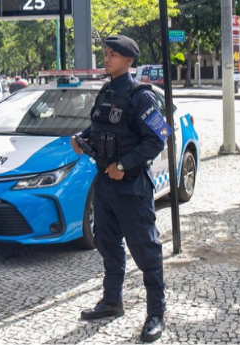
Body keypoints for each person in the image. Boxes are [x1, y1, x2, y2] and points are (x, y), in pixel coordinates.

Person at [70, 35, 172, 343]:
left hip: (131, 187)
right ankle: (112, 302)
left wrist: (124, 165)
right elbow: (99, 128)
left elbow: (158, 137)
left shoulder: (141, 96)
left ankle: (156, 313)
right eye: (106, 53)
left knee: (145, 249)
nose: (107, 58)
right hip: (104, 183)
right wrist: (81, 137)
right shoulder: (106, 91)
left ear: (128, 61)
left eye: (113, 55)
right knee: (107, 244)